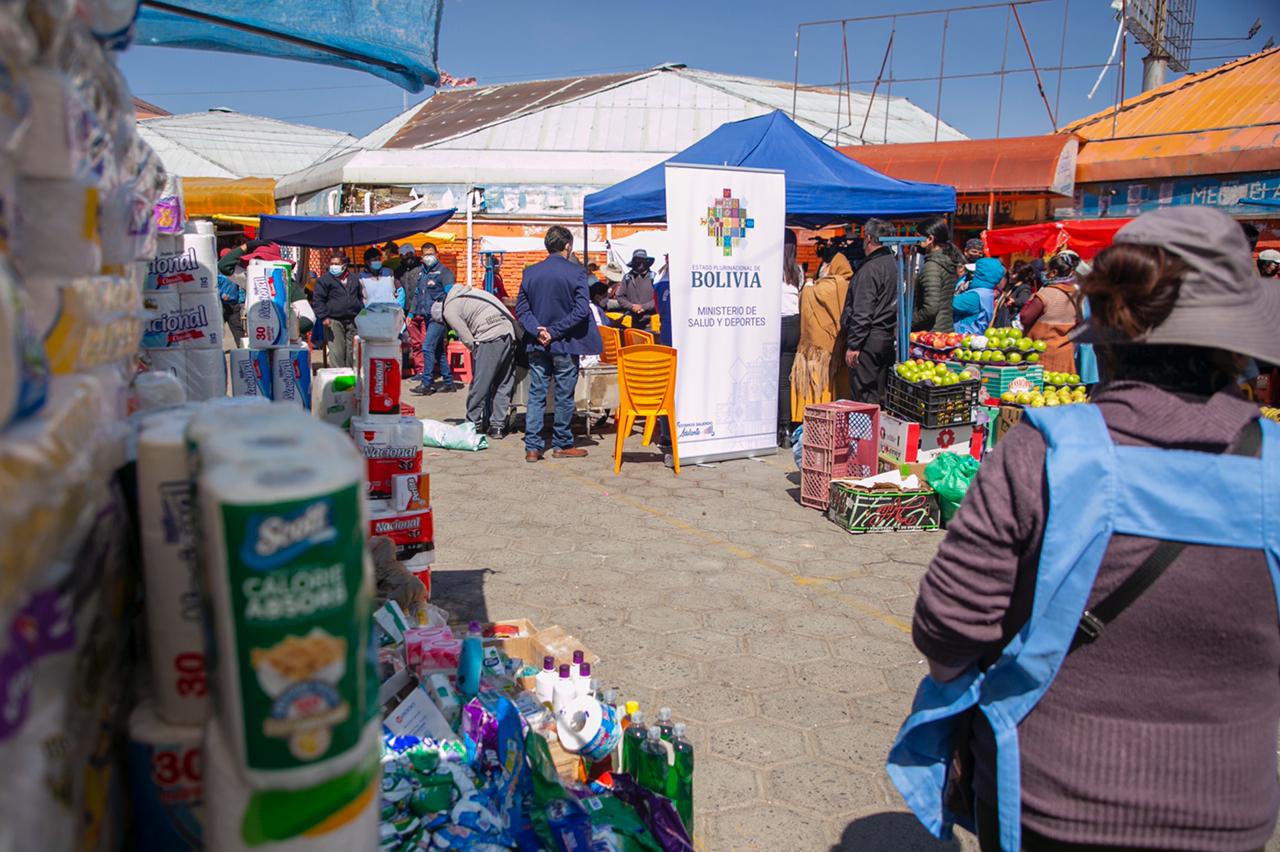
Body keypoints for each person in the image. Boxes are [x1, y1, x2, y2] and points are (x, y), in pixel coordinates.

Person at [894, 206, 1280, 852]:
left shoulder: (1045, 449)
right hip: (1228, 810)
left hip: (1050, 795)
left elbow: (947, 623)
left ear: (1106, 336)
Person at [515, 225, 602, 462]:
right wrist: (553, 332)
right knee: (564, 396)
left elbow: (521, 309)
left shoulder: (531, 272)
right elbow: (582, 310)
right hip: (565, 343)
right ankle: (562, 444)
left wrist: (538, 330)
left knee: (536, 394)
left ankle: (532, 447)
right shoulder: (576, 273)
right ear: (568, 246)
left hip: (538, 343)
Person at [442, 281, 519, 439]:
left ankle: (473, 424)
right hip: (509, 332)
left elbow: (466, 337)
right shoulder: (471, 292)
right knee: (504, 382)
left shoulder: (449, 309)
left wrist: (477, 351)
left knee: (480, 383)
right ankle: (497, 427)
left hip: (489, 336)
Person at [841, 218, 899, 405]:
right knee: (879, 394)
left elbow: (863, 310)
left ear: (868, 238)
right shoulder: (894, 264)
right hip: (886, 336)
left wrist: (854, 345)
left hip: (869, 339)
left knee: (864, 396)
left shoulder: (871, 268)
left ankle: (867, 425)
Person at [792, 251, 852, 421]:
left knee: (818, 384)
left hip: (817, 348)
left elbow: (807, 296)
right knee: (836, 385)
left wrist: (808, 283)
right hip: (837, 344)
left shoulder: (826, 286)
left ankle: (814, 418)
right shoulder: (848, 285)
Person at [1020, 252, 1082, 374]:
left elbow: (1025, 318)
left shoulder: (1046, 293)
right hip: (1065, 353)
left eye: (1046, 270)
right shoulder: (1077, 295)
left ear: (1053, 272)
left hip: (1042, 353)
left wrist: (1030, 301)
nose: (1044, 273)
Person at [409, 243, 458, 395]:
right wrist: (411, 314)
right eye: (426, 254)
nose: (428, 257)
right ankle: (449, 383)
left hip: (438, 317)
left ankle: (426, 383)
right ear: (422, 257)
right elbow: (417, 295)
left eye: (431, 253)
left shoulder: (444, 273)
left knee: (427, 347)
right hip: (426, 316)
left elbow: (451, 294)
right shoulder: (422, 273)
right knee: (438, 351)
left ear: (437, 254)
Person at [911, 216, 961, 333]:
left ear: (930, 239)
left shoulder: (932, 266)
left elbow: (930, 308)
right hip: (944, 328)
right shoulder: (946, 261)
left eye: (918, 237)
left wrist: (909, 322)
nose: (915, 241)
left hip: (932, 332)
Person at [313, 252, 363, 367]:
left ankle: (351, 375)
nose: (333, 266)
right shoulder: (324, 280)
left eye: (336, 264)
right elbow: (318, 299)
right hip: (334, 320)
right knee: (337, 353)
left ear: (344, 265)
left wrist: (358, 308)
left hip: (353, 320)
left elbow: (359, 296)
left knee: (352, 353)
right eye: (332, 264)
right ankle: (339, 376)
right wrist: (324, 316)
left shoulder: (354, 279)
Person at [779, 229, 803, 437]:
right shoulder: (798, 271)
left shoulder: (772, 269)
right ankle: (786, 428)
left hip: (777, 323)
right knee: (785, 379)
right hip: (795, 324)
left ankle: (776, 425)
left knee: (771, 377)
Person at [952, 257, 1004, 336]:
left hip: (964, 338)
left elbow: (947, 304)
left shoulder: (976, 296)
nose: (971, 275)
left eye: (974, 272)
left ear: (982, 275)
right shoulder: (987, 292)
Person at [616, 249, 656, 328]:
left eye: (642, 261)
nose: (640, 264)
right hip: (632, 320)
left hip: (651, 321)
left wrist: (644, 307)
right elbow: (620, 296)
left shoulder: (654, 277)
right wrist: (631, 306)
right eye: (638, 261)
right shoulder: (627, 277)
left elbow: (659, 298)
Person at [993, 261, 1038, 328]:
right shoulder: (1012, 285)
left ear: (1021, 274)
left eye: (1013, 271)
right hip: (1001, 320)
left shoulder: (1024, 288)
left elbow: (1024, 301)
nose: (1010, 272)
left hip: (1008, 324)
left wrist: (1014, 301)